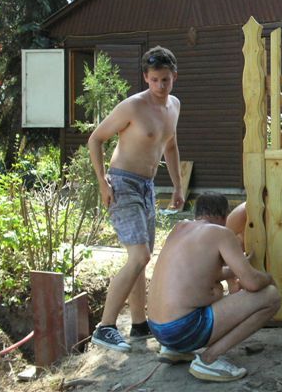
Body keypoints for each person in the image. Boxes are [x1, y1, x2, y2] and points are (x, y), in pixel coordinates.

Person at [88, 46, 185, 352]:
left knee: (142, 258)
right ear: (146, 77)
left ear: (174, 76)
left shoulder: (174, 106)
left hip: (147, 187)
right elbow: (96, 139)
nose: (160, 85)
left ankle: (140, 325)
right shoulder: (132, 107)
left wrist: (178, 187)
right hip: (122, 184)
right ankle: (105, 327)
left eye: (165, 79)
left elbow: (170, 146)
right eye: (154, 79)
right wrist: (102, 181)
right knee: (139, 256)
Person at [147, 192, 281, 382]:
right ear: (224, 215)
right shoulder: (220, 233)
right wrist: (268, 277)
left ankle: (174, 350)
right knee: (271, 296)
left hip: (159, 330)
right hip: (185, 329)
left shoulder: (179, 228)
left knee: (214, 291)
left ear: (197, 213)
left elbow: (200, 275)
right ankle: (208, 359)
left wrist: (238, 267)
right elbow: (252, 283)